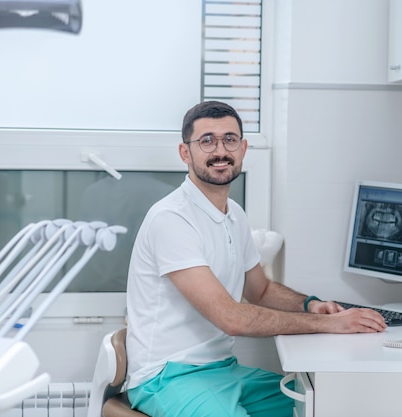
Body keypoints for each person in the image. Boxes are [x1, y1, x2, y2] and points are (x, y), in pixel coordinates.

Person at [125, 101, 386, 417]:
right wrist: (329, 324)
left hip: (222, 371)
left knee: (320, 406)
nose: (220, 150)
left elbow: (260, 290)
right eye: (207, 140)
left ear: (243, 148)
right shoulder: (171, 219)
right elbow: (231, 318)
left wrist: (311, 305)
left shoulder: (234, 214)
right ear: (185, 153)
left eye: (230, 139)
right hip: (166, 376)